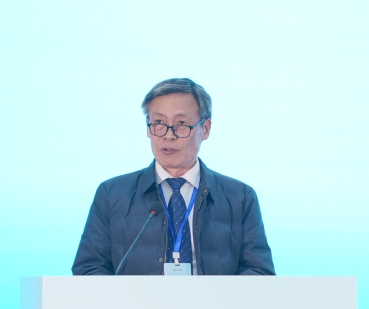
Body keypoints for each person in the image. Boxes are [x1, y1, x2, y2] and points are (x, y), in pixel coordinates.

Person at [72, 78, 275, 276]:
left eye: (181, 124)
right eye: (159, 122)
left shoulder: (240, 197)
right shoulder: (112, 194)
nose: (168, 135)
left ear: (205, 129)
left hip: (212, 300)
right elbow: (89, 268)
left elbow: (259, 270)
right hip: (136, 301)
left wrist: (217, 297)